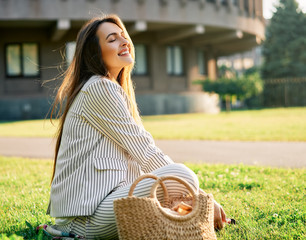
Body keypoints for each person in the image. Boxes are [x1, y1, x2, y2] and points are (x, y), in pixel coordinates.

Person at [45, 14, 227, 239]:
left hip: (95, 209)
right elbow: (145, 150)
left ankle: (178, 213)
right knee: (182, 175)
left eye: (123, 35)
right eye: (112, 39)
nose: (124, 41)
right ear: (95, 53)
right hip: (85, 218)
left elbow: (137, 165)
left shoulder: (108, 87)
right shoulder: (99, 88)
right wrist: (200, 197)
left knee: (171, 182)